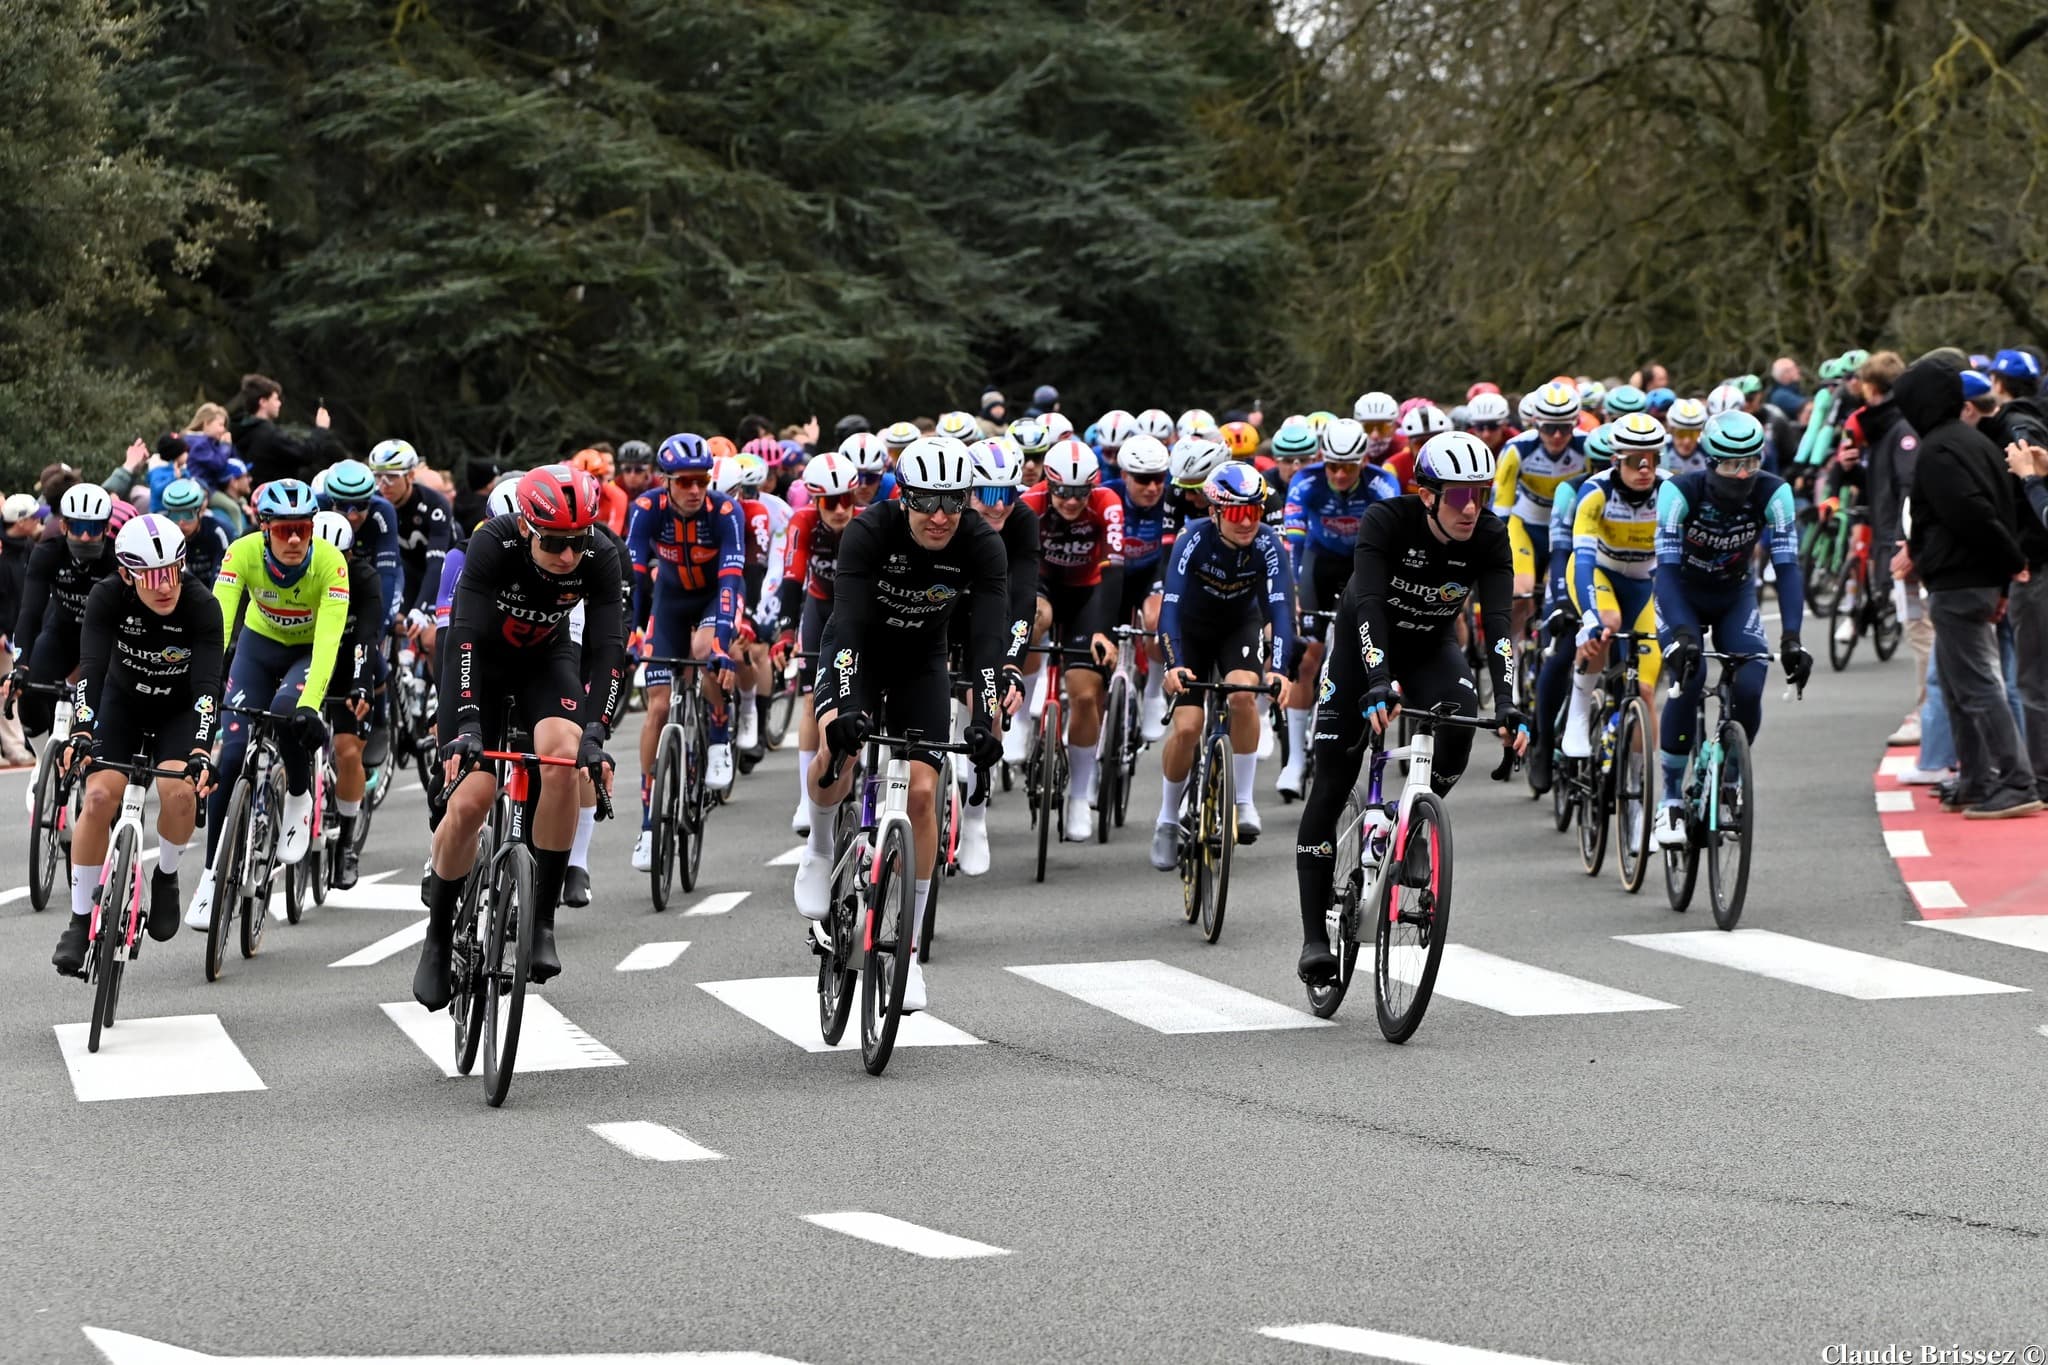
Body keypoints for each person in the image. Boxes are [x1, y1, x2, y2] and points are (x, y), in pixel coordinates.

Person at [1293, 432, 1528, 984]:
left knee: (1462, 724)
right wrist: (1376, 681)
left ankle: (1410, 824)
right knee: (1330, 783)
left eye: (1480, 492)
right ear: (1427, 495)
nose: (1470, 507)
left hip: (1430, 648)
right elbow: (1370, 603)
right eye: (1456, 495)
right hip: (1362, 645)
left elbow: (1497, 626)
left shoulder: (1490, 536)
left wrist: (1511, 704)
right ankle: (1312, 939)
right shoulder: (1386, 522)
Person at [798, 437, 1007, 1014]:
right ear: (903, 496)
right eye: (926, 503)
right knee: (832, 753)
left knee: (922, 793)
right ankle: (818, 850)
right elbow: (847, 624)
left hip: (923, 661)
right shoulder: (869, 530)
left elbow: (988, 641)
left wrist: (986, 718)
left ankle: (908, 958)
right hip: (859, 650)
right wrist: (840, 709)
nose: (940, 516)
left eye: (952, 502)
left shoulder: (982, 544)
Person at [411, 466, 624, 1008]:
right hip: (477, 664)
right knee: (475, 796)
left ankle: (543, 920)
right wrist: (465, 729)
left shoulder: (600, 556)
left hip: (544, 663)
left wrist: (597, 732)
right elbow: (460, 638)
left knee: (562, 758)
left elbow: (607, 649)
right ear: (527, 528)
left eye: (578, 542)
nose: (568, 556)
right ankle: (437, 941)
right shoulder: (492, 544)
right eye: (554, 543)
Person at [49, 516, 222, 975]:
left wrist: (202, 749)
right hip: (120, 704)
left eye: (173, 571)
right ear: (126, 573)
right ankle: (79, 918)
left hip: (178, 711)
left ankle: (165, 876)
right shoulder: (107, 596)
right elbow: (91, 668)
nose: (166, 586)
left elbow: (207, 687)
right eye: (151, 575)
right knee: (100, 795)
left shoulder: (203, 606)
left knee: (179, 792)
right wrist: (82, 731)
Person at [185, 479, 351, 930]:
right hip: (258, 646)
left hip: (305, 653)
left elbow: (328, 644)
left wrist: (311, 704)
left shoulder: (331, 564)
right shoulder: (240, 553)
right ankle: (209, 876)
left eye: (303, 528)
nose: (295, 539)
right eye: (283, 530)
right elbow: (218, 625)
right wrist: (204, 683)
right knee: (233, 753)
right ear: (264, 529)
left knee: (285, 713)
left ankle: (298, 796)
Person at [1889, 359, 2039, 818]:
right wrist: (2004, 571)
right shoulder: (1976, 442)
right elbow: (2001, 507)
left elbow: (1970, 513)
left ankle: (2015, 781)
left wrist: (2011, 565)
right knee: (1958, 685)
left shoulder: (1938, 451)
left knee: (1976, 685)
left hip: (1959, 579)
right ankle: (1976, 779)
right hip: (1979, 578)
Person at [1653, 412, 1809, 846]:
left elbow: (1787, 566)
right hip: (1681, 592)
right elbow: (1664, 571)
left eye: (1750, 462)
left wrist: (1792, 637)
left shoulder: (1774, 492)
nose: (1742, 474)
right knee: (1690, 677)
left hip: (1734, 596)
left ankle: (1731, 778)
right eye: (1730, 464)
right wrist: (1683, 633)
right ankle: (1668, 800)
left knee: (1751, 682)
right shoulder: (1678, 492)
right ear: (1709, 460)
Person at [1150, 462, 1295, 867]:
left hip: (1238, 626)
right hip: (1192, 631)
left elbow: (1280, 610)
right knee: (1188, 727)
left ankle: (1244, 800)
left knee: (1245, 694)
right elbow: (1171, 609)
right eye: (1236, 513)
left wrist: (1280, 669)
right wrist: (1172, 665)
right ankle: (1166, 819)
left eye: (1255, 511)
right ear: (1214, 512)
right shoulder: (1191, 539)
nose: (1247, 521)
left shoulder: (1268, 544)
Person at [625, 433, 744, 870]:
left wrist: (722, 645)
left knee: (704, 650)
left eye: (702, 481)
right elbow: (634, 576)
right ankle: (648, 824)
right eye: (685, 482)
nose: (696, 490)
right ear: (666, 480)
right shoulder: (646, 510)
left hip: (716, 599)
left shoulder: (726, 511)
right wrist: (632, 633)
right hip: (670, 602)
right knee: (657, 707)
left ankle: (717, 736)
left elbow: (731, 579)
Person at [1274, 417, 1398, 797]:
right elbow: (1293, 543)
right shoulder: (1306, 481)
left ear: (1363, 462)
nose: (1340, 475)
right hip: (1319, 562)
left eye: (1348, 467)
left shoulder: (1382, 483)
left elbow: (1393, 543)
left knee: (1366, 649)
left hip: (1364, 562)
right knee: (1308, 659)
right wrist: (1294, 593)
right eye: (1332, 466)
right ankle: (1295, 760)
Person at [1019, 436, 1125, 840]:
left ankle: (1080, 794)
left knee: (1083, 694)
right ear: (1049, 484)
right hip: (1043, 585)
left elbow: (1114, 570)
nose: (1071, 501)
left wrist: (1105, 629)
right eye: (1063, 492)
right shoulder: (1030, 502)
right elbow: (1018, 567)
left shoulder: (1107, 503)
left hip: (1087, 593)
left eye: (1081, 493)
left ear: (1093, 486)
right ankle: (1021, 705)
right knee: (1033, 617)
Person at [1561, 414, 1669, 760]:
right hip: (1599, 574)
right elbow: (1584, 559)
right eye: (1635, 461)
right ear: (1615, 461)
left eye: (1652, 459)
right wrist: (1589, 616)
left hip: (1645, 584)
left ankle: (1638, 789)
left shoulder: (1671, 492)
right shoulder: (1595, 492)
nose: (1644, 468)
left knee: (1647, 690)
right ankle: (1577, 714)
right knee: (1606, 626)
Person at [955, 436, 1036, 875]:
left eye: (1007, 494)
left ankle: (975, 817)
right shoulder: (946, 513)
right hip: (942, 607)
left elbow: (1023, 596)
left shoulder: (1021, 520)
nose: (999, 505)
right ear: (968, 492)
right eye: (988, 494)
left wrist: (1011, 665)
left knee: (988, 706)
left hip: (991, 611)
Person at [775, 452, 863, 840]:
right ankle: (804, 797)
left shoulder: (867, 522)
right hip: (819, 606)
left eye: (847, 499)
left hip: (859, 611)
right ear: (815, 501)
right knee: (811, 701)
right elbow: (792, 578)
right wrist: (785, 633)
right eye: (831, 502)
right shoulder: (804, 522)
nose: (841, 509)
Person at [4, 483, 120, 737]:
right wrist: (20, 666)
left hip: (105, 640)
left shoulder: (116, 562)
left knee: (100, 708)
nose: (86, 537)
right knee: (29, 693)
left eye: (94, 528)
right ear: (65, 526)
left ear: (107, 529)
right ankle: (41, 763)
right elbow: (29, 613)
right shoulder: (47, 554)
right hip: (61, 632)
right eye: (78, 527)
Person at [310, 510, 382, 889]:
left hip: (352, 661)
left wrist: (359, 685)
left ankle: (346, 847)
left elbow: (366, 638)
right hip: (309, 659)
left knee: (347, 750)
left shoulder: (365, 579)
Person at [1492, 381, 1589, 640]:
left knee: (1563, 595)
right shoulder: (1517, 449)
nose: (1556, 436)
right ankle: (1512, 649)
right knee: (1520, 593)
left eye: (1565, 427)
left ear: (1576, 423)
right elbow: (1501, 503)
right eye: (1549, 427)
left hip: (1567, 528)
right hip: (1525, 524)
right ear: (1535, 422)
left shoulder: (1586, 448)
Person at [1104, 433, 1178, 746]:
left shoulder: (1171, 499)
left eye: (1158, 479)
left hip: (1151, 572)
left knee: (1156, 617)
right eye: (1143, 480)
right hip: (1114, 574)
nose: (1152, 488)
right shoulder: (1107, 494)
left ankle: (1151, 693)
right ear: (1124, 475)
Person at [369, 439, 456, 663]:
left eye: (392, 476)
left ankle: (437, 692)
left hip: (444, 572)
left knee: (430, 639)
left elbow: (437, 564)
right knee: (385, 624)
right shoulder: (374, 505)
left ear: (410, 476)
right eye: (378, 476)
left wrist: (420, 609)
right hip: (405, 572)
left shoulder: (435, 504)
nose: (384, 484)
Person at [228, 375, 338, 487]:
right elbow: (306, 453)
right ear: (263, 402)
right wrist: (321, 429)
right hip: (274, 499)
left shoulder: (240, 429)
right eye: (275, 399)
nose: (279, 403)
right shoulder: (269, 434)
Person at [154, 478, 235, 587]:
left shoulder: (218, 533)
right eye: (175, 515)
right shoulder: (160, 534)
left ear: (200, 511)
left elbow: (222, 582)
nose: (181, 522)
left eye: (188, 514)